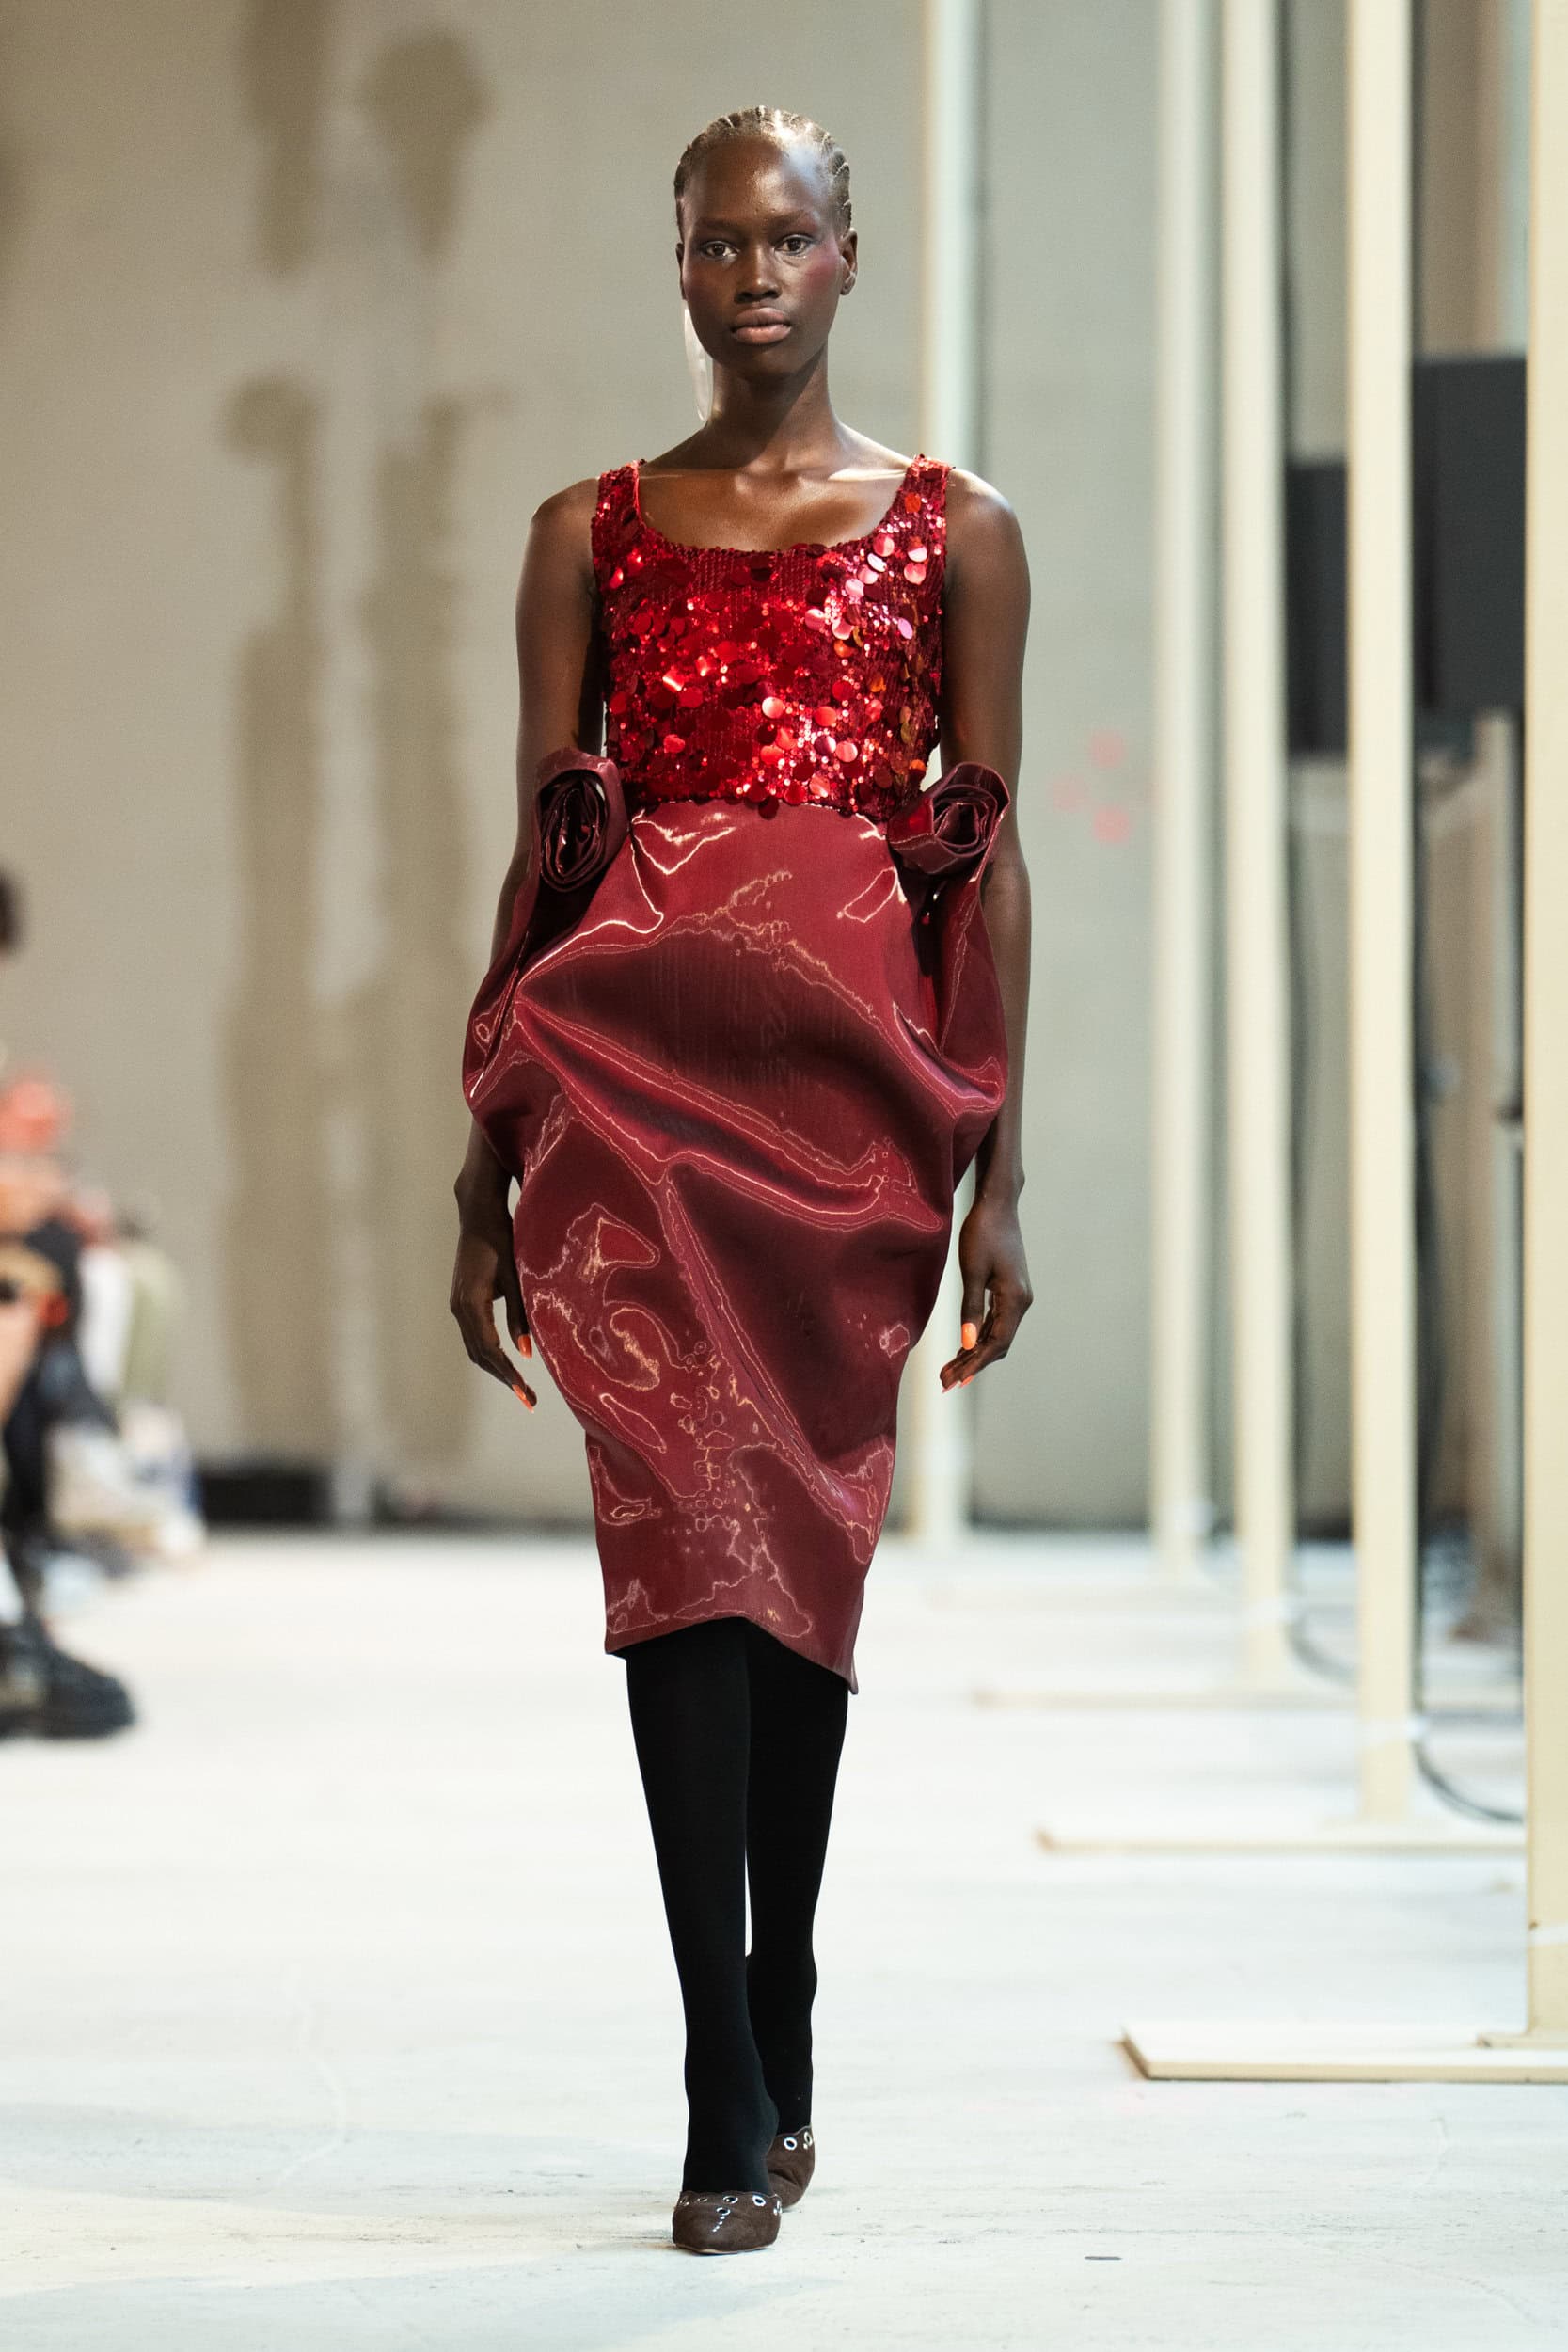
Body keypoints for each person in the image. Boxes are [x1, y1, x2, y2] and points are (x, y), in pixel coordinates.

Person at [451, 106, 1032, 2254]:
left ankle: (782, 1983)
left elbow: (988, 853)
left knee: (803, 1545)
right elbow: (546, 844)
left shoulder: (957, 531)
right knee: (677, 1541)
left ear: (849, 256)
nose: (752, 274)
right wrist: (477, 1156)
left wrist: (1004, 1167)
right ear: (675, 263)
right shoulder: (584, 531)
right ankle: (720, 2062)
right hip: (623, 1099)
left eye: (787, 238)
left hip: (855, 1104)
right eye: (715, 241)